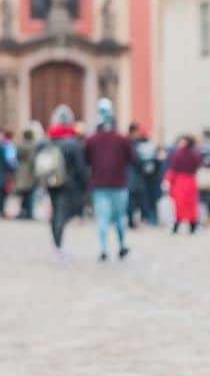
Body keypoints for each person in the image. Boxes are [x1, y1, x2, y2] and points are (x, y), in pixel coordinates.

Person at [83, 98, 133, 262]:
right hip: (119, 183)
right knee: (119, 217)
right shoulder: (122, 139)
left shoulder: (92, 139)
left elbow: (86, 159)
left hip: (100, 183)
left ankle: (103, 248)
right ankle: (121, 245)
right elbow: (131, 158)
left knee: (103, 218)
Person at [36, 105, 88, 254]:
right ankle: (58, 242)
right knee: (61, 210)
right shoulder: (72, 143)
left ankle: (55, 239)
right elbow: (80, 166)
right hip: (67, 183)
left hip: (49, 180)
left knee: (55, 207)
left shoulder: (45, 140)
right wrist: (84, 184)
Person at [166, 135, 202, 234]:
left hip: (181, 182)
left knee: (183, 205)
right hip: (188, 181)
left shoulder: (178, 154)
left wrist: (169, 180)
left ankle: (186, 224)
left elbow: (173, 167)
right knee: (186, 205)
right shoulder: (194, 154)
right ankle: (190, 225)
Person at [14, 124, 39, 220]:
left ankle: (23, 212)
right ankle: (29, 212)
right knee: (30, 193)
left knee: (23, 194)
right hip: (30, 171)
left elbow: (17, 157)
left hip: (22, 170)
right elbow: (34, 159)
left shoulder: (20, 145)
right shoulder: (34, 145)